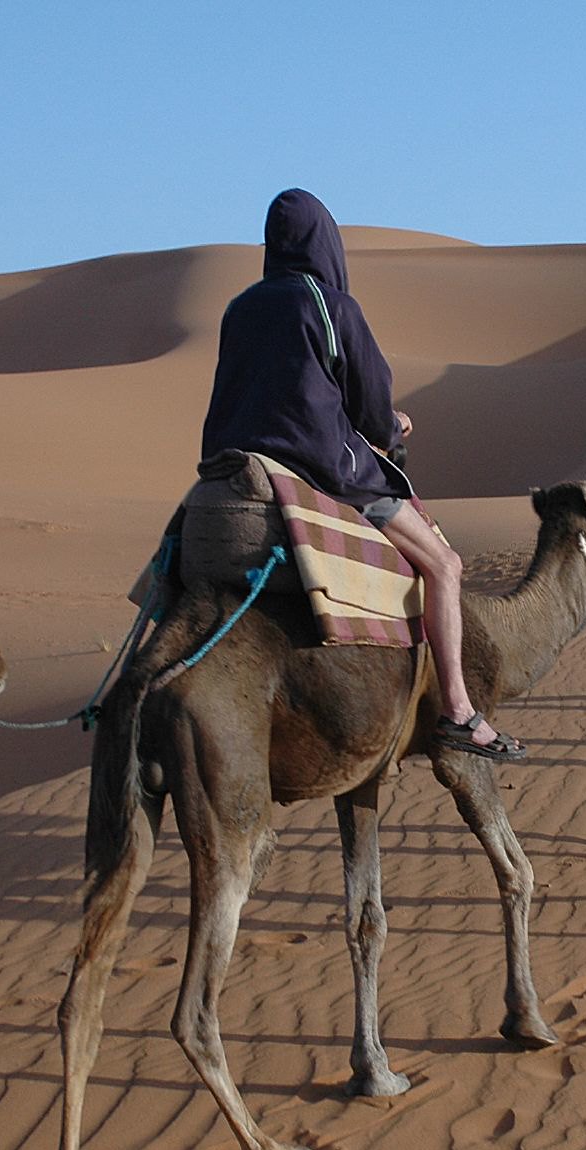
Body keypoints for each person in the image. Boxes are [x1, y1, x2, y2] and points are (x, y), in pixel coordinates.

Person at [200, 188, 523, 761]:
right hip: (323, 467)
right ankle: (458, 709)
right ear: (324, 242)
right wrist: (393, 427)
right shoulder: (331, 307)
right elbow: (371, 408)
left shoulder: (239, 308)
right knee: (444, 565)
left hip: (230, 465)